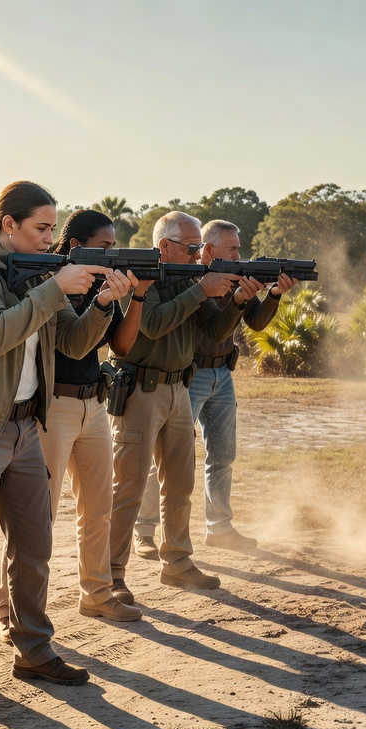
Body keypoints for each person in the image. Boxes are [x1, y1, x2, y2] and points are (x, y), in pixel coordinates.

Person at [0, 181, 133, 729]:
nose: (49, 237)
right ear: (7, 225)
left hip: (24, 427)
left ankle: (33, 650)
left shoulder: (37, 274)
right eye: (41, 228)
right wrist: (57, 287)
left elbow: (74, 344)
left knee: (35, 547)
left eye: (52, 228)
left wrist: (103, 304)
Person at [0, 209, 146, 632]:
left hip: (92, 403)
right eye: (103, 247)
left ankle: (96, 593)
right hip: (53, 405)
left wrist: (132, 297)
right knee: (34, 517)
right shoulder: (47, 277)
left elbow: (119, 345)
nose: (111, 254)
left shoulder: (100, 283)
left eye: (113, 247)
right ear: (77, 246)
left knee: (98, 508)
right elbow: (68, 343)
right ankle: (8, 609)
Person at [109, 211, 262, 604]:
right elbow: (153, 323)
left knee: (180, 485)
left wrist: (238, 302)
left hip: (178, 386)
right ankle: (111, 575)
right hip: (141, 389)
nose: (199, 255)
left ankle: (176, 561)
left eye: (198, 248)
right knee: (128, 487)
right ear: (165, 246)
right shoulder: (139, 277)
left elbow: (216, 329)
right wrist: (200, 290)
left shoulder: (188, 279)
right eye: (193, 248)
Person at [133, 220, 294, 553]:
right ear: (209, 249)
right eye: (232, 249)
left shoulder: (230, 277)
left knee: (222, 455)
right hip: (190, 374)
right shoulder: (187, 278)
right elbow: (167, 323)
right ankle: (144, 530)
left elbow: (252, 322)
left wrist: (271, 295)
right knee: (166, 459)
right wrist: (207, 290)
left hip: (222, 374)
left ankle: (219, 528)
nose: (238, 255)